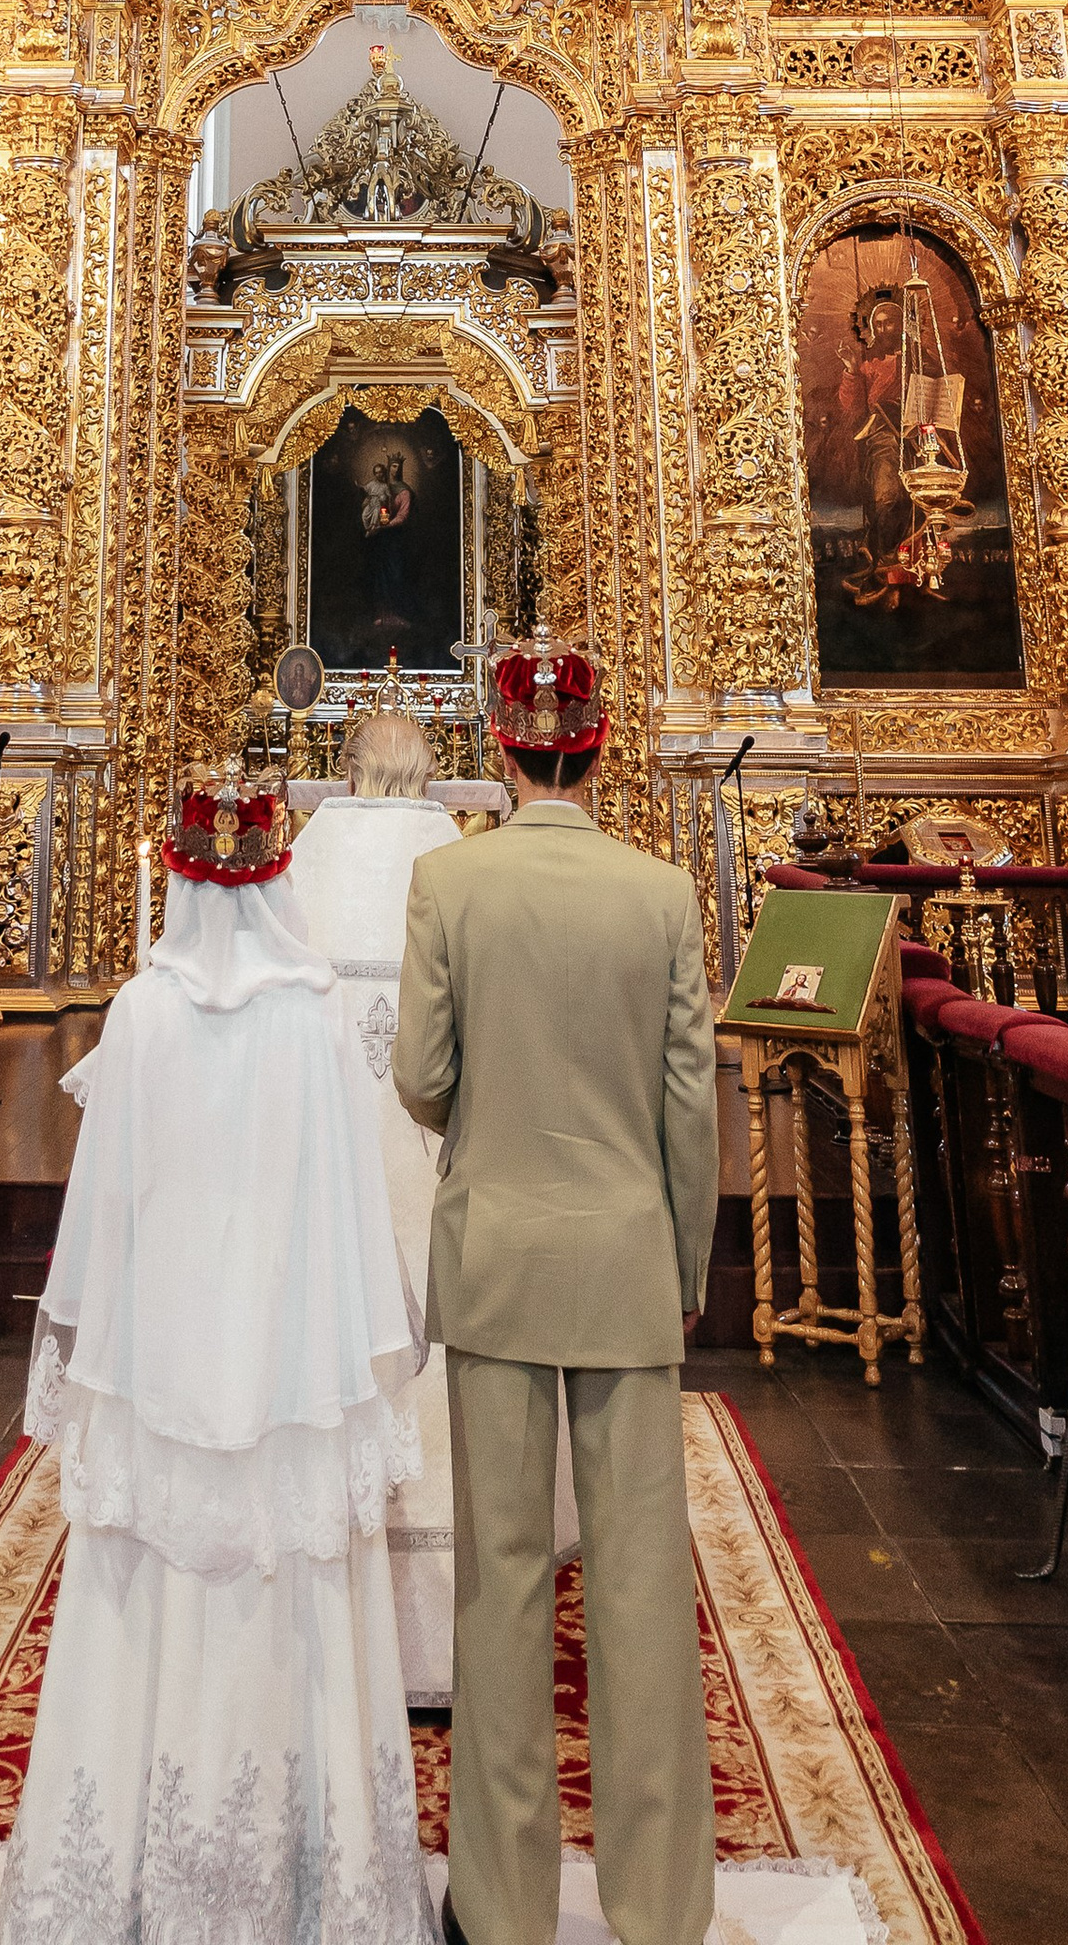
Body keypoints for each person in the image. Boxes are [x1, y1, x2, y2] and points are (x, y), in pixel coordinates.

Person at [0, 764, 429, 1944]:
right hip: (290, 1338)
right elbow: (349, 1193)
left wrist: (97, 1347)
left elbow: (104, 1211)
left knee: (154, 1587)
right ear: (274, 874)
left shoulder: (143, 1011)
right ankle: (312, 1882)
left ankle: (133, 1874)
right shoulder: (314, 1011)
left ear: (179, 878)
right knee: (293, 1586)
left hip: (169, 1337)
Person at [394, 639, 719, 1945]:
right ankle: (657, 1909)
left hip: (501, 1259)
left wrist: (496, 1119)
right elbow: (687, 1104)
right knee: (641, 1585)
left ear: (503, 742)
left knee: (503, 1584)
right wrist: (681, 1263)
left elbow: (420, 1076)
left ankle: (504, 1904)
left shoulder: (447, 883)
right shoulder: (663, 895)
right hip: (628, 1262)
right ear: (598, 744)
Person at [288, 703, 488, 1704]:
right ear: (430, 771)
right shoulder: (456, 857)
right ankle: (446, 1601)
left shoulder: (307, 851)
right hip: (430, 1129)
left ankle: (325, 1572)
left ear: (351, 767)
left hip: (325, 1128)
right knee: (425, 1305)